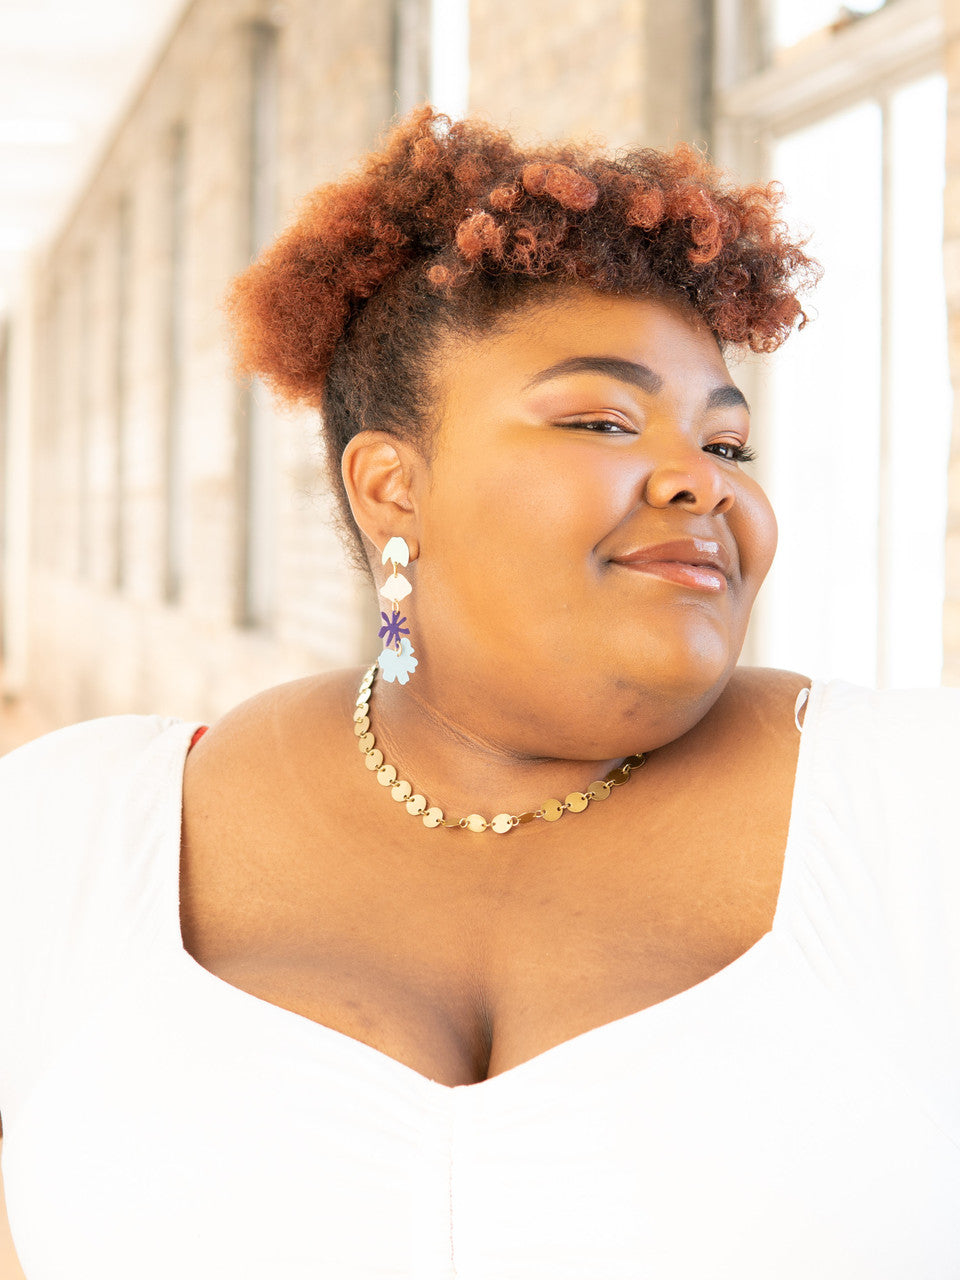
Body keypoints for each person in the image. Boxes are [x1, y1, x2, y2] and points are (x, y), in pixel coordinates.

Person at [1, 106, 958, 1279]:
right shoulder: (72, 834)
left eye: (728, 445)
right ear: (393, 486)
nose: (697, 482)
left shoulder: (917, 810)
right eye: (602, 419)